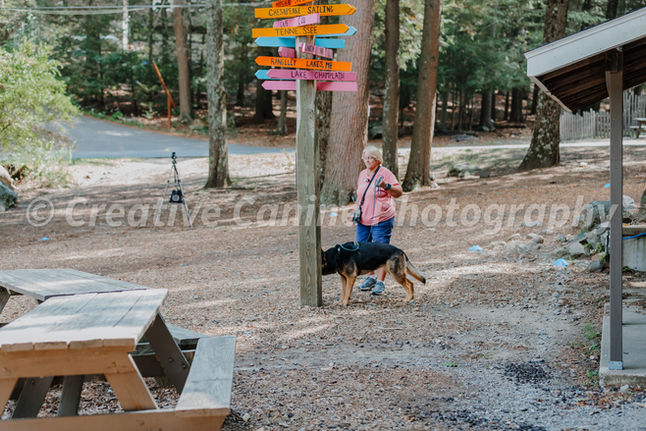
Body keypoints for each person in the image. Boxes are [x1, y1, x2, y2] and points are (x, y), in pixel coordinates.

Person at [354, 145, 403, 295]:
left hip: (382, 218)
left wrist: (385, 186)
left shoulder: (385, 173)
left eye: (371, 158)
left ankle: (380, 282)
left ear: (378, 160)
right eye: (366, 158)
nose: (368, 160)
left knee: (380, 250)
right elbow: (360, 194)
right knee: (362, 249)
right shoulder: (362, 174)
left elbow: (398, 192)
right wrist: (356, 209)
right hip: (364, 219)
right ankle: (371, 277)